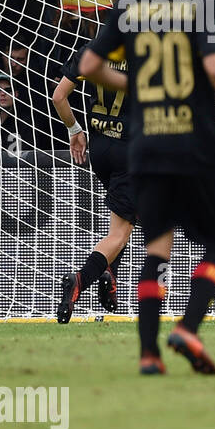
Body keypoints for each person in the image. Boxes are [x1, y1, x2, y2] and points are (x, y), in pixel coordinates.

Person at [80, 0, 215, 376]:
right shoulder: (205, 1)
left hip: (146, 143)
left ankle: (148, 354)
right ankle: (188, 327)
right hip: (194, 143)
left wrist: (136, 86)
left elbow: (90, 68)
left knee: (156, 243)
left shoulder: (132, 4)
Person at [51, 25, 136, 323]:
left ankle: (109, 275)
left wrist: (75, 130)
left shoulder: (93, 50)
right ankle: (80, 280)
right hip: (131, 150)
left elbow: (59, 96)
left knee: (126, 219)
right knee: (120, 231)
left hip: (99, 151)